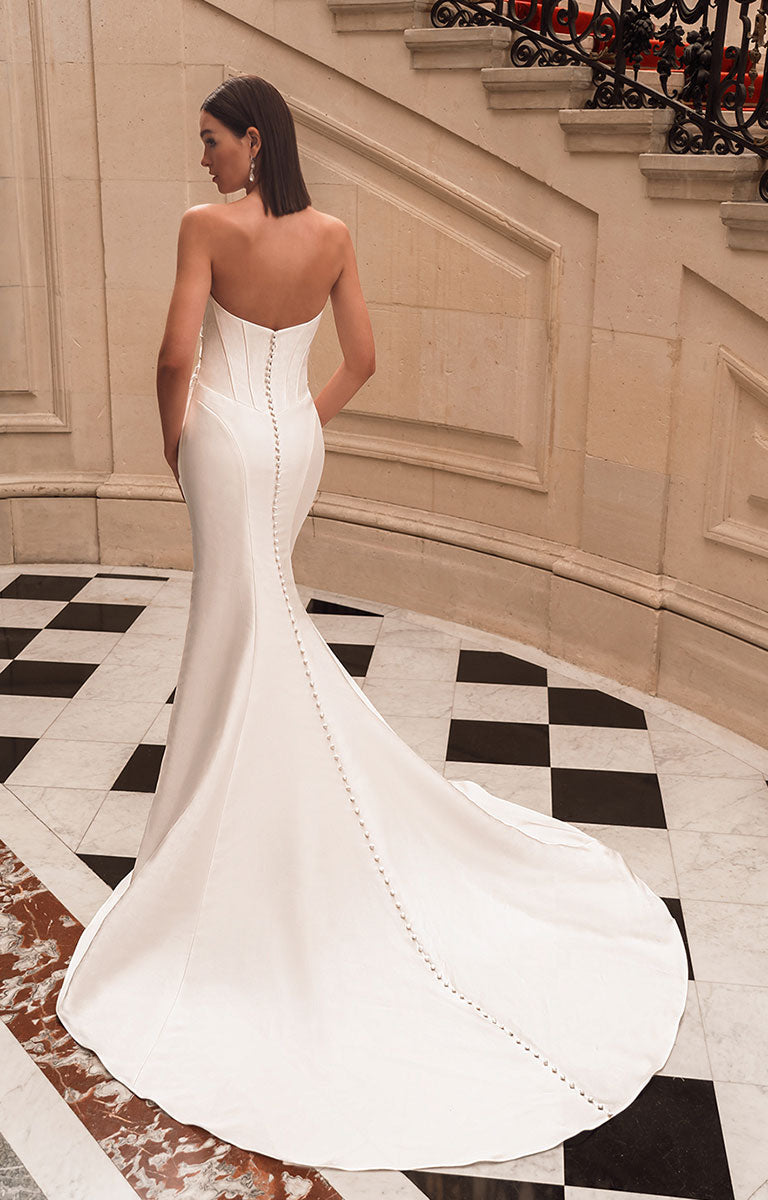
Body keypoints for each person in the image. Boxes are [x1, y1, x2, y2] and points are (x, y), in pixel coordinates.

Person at [55, 74, 689, 1172]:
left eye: (210, 139)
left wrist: (176, 439)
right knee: (261, 621)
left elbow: (172, 356)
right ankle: (232, 812)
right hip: (296, 442)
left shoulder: (206, 226)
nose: (202, 159)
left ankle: (228, 838)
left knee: (239, 626)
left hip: (221, 439)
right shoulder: (336, 231)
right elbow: (364, 360)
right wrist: (296, 422)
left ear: (253, 141)